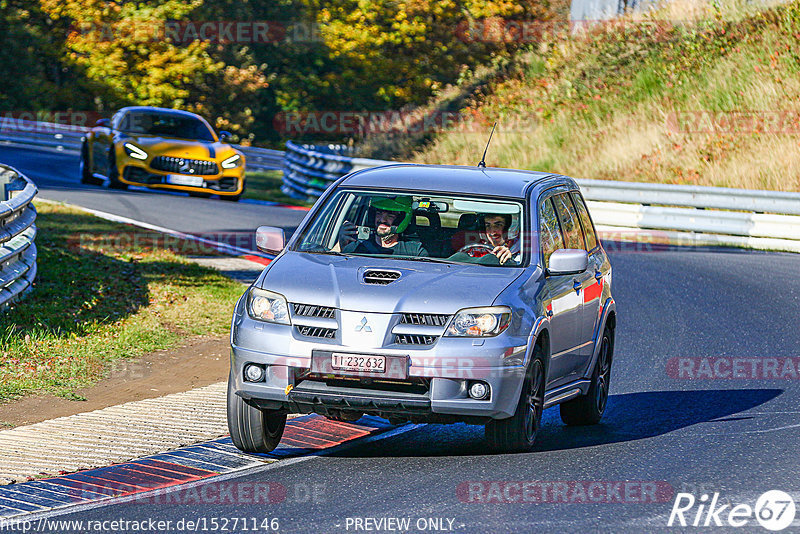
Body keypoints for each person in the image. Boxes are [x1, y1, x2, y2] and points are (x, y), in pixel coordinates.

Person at [339, 196, 428, 257]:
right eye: (379, 213)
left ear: (402, 219)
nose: (382, 220)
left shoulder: (416, 252)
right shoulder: (357, 247)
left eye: (390, 215)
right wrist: (342, 246)